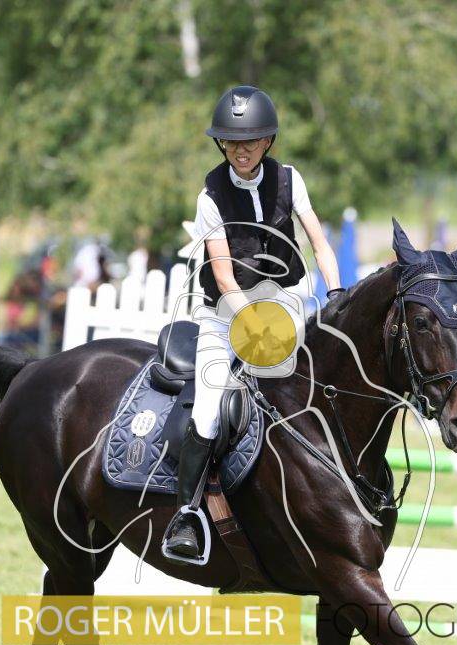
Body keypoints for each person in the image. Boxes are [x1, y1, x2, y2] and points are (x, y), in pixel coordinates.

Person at [163, 85, 343, 563]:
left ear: (268, 141)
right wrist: (253, 322)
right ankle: (186, 515)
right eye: (231, 142)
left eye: (250, 141)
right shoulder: (210, 196)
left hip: (283, 301)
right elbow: (223, 275)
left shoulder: (291, 180)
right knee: (208, 405)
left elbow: (319, 244)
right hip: (225, 313)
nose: (240, 151)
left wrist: (336, 293)